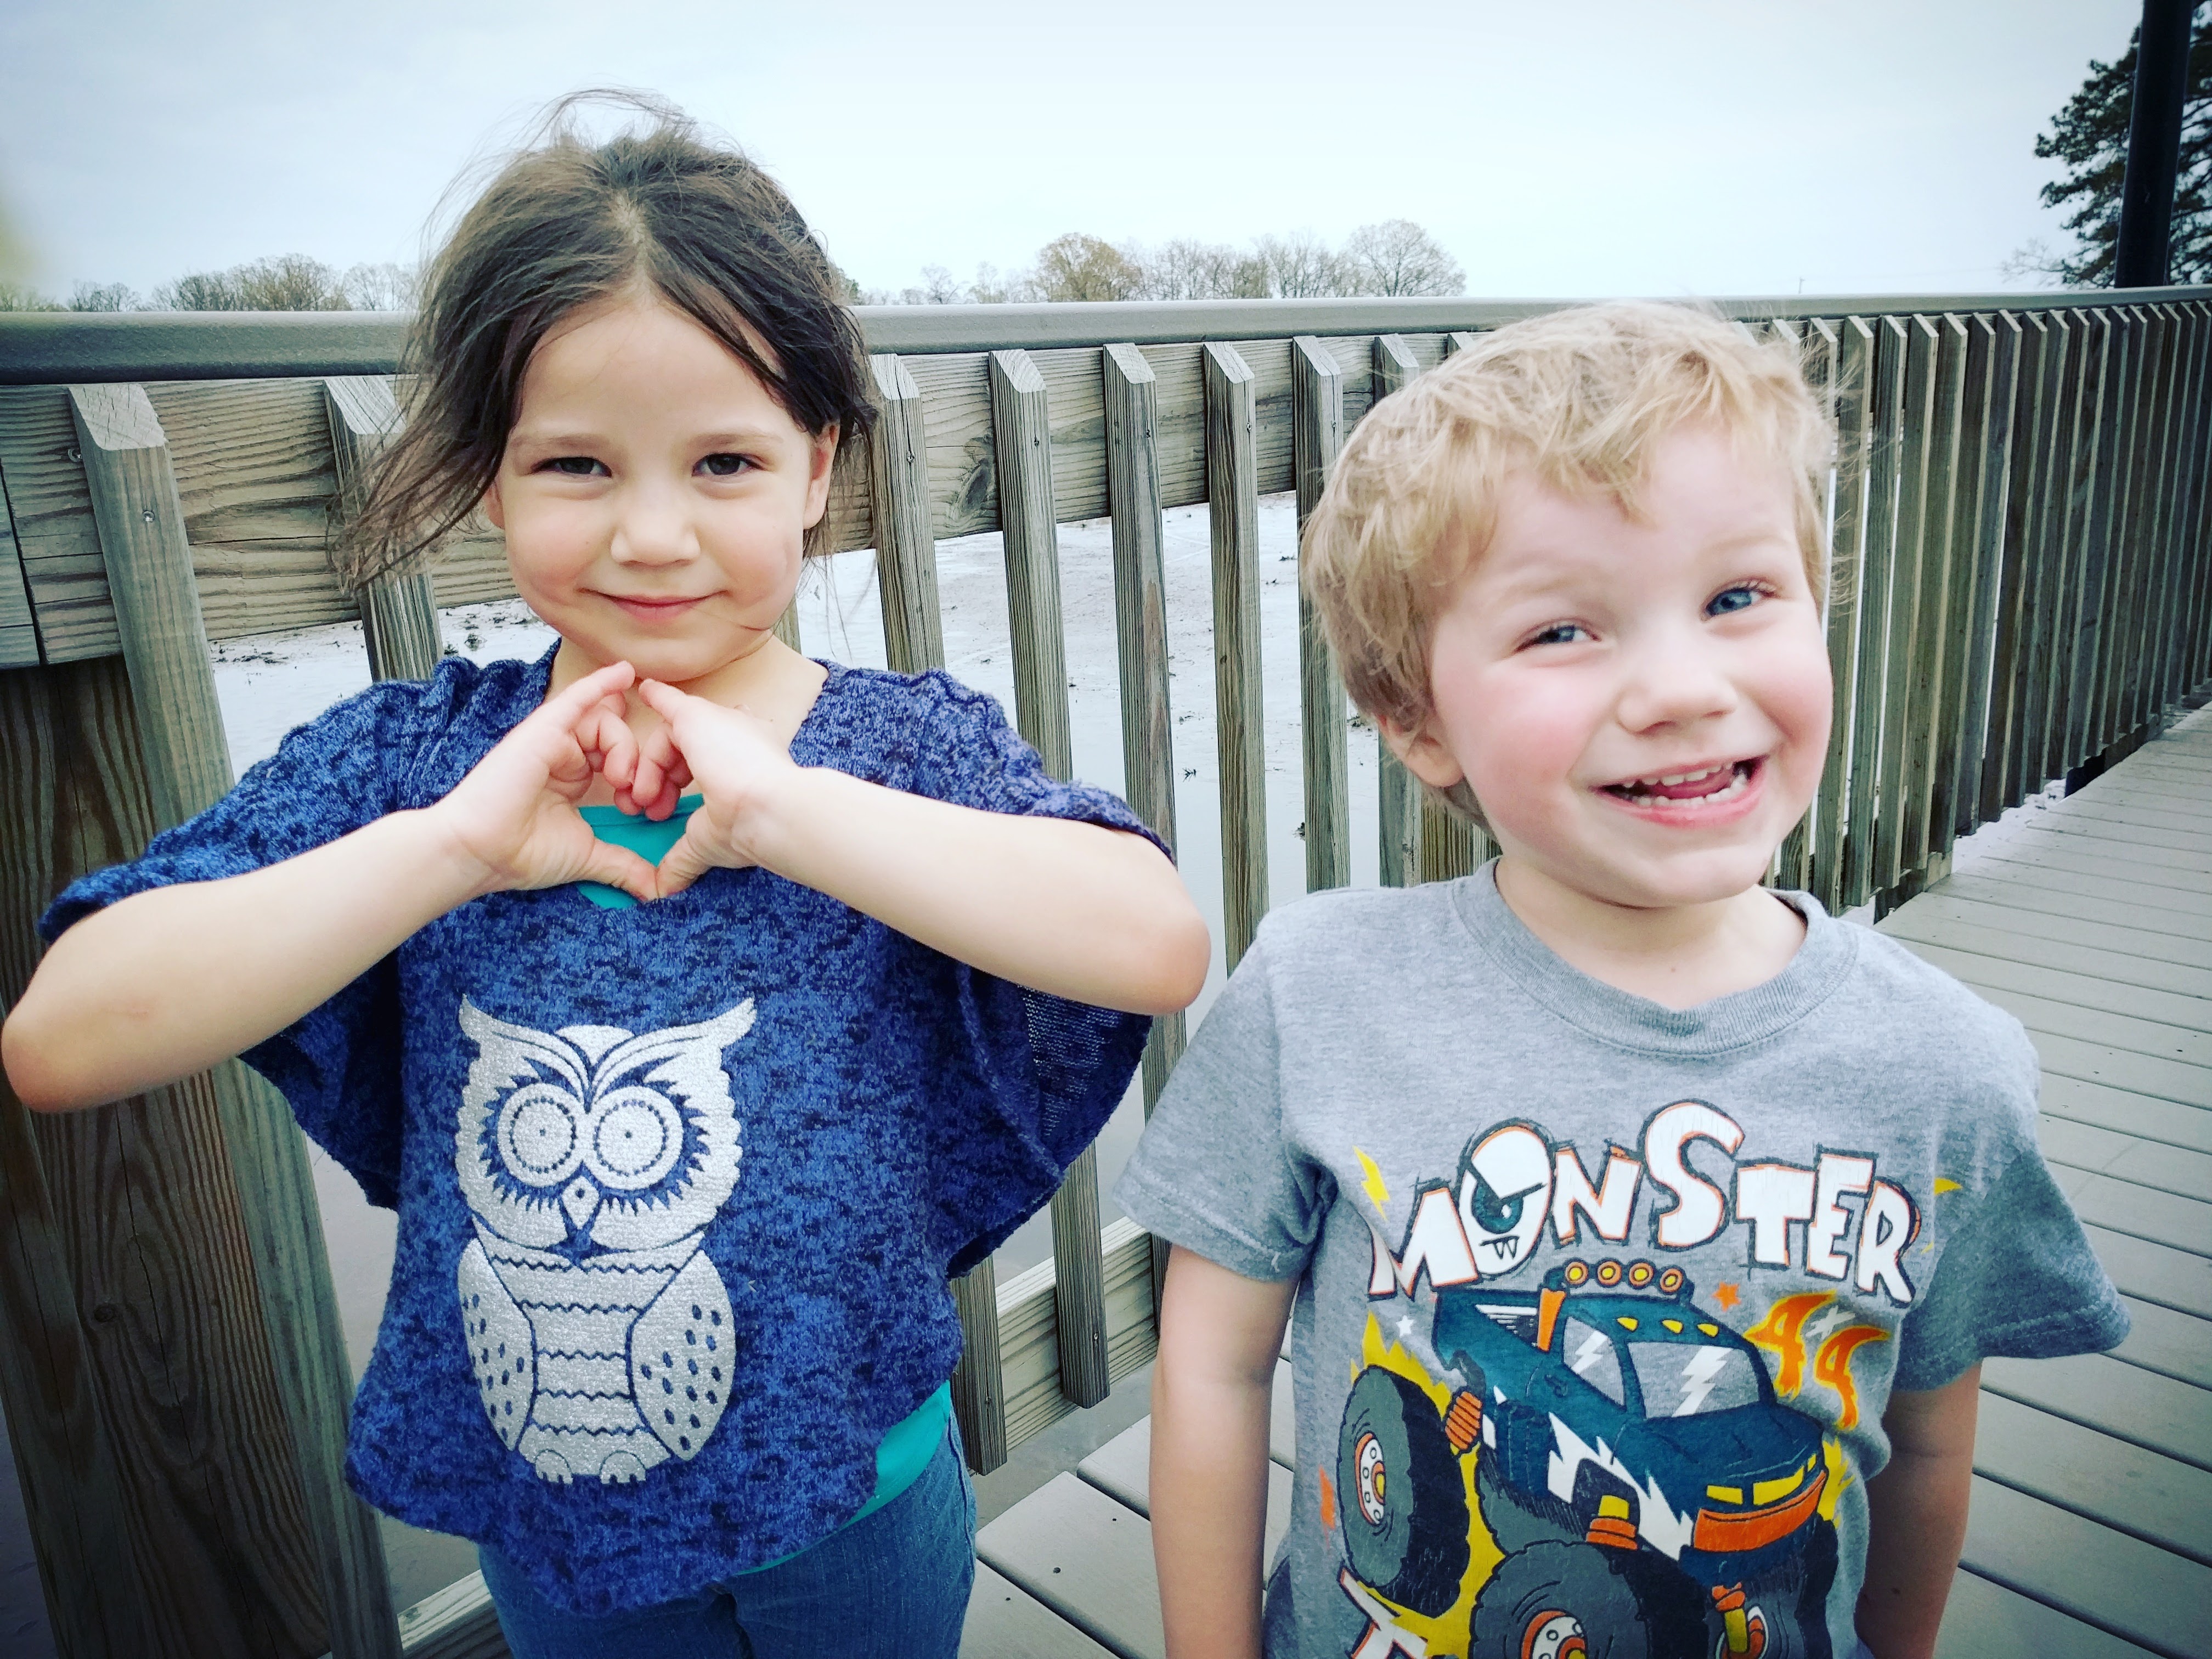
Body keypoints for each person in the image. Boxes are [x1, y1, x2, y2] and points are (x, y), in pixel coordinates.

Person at [2, 95, 1209, 1659]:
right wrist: (451, 850)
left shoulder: (903, 751)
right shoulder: (418, 764)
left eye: (724, 461)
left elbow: (1151, 942)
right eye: (576, 463)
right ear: (490, 483)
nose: (651, 534)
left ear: (816, 470)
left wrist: (790, 814)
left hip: (860, 1488)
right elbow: (66, 1034)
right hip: (555, 1521)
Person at [1114, 302, 2126, 1659]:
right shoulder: (1322, 995)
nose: (1681, 689)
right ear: (1417, 718)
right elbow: (1216, 1367)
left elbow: (1930, 1449)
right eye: (1563, 631)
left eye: (1737, 598)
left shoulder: (1946, 1068)